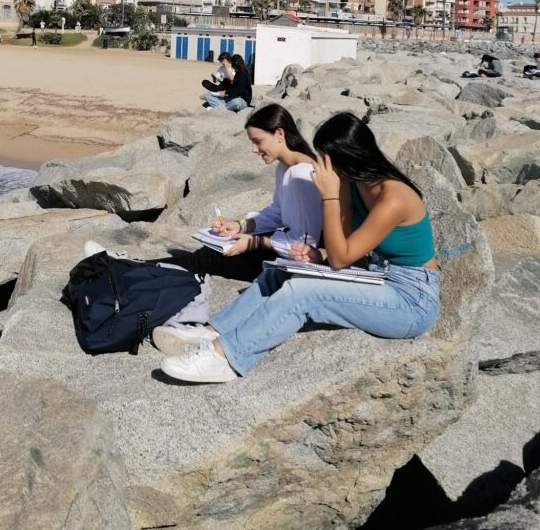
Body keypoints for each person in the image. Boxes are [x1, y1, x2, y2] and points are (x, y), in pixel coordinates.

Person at [155, 111, 440, 383]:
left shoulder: (394, 198)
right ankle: (212, 332)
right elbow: (344, 247)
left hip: (411, 299)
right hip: (376, 274)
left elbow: (341, 259)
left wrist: (330, 197)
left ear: (347, 158)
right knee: (279, 273)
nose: (319, 168)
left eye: (325, 160)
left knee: (303, 294)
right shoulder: (354, 184)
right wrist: (320, 254)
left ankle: (226, 357)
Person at [163, 104, 323, 286]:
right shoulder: (285, 167)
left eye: (258, 141)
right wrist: (241, 225)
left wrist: (256, 242)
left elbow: (305, 245)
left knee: (209, 259)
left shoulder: (301, 174)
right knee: (207, 255)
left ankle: (146, 271)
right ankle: (147, 270)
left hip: (293, 263)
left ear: (279, 134)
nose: (254, 149)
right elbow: (278, 212)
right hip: (283, 247)